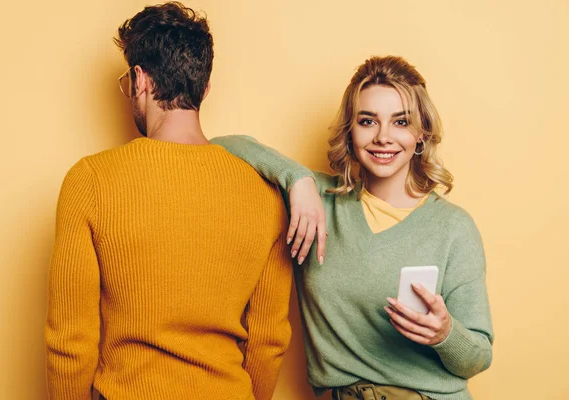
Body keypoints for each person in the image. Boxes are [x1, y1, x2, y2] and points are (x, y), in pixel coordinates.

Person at [44, 3, 292, 399]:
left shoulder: (90, 181)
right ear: (204, 88)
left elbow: (70, 341)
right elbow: (268, 341)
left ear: (140, 79)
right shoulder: (265, 194)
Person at [211, 56, 494, 400]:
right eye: (367, 121)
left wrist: (445, 334)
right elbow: (223, 146)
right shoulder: (318, 204)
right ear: (350, 131)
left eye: (401, 121)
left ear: (421, 135)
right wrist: (297, 178)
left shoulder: (453, 228)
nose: (383, 137)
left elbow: (479, 357)